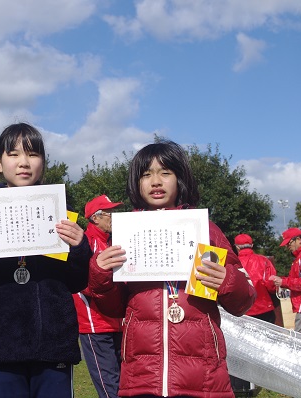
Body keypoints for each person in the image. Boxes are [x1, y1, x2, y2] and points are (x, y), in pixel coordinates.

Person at [92, 140, 255, 398]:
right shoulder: (124, 235)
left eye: (165, 172)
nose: (156, 181)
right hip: (142, 376)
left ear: (180, 178)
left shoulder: (207, 231)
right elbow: (112, 309)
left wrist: (227, 281)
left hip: (203, 376)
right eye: (146, 174)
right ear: (136, 183)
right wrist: (101, 275)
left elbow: (243, 301)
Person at [0, 122, 92, 398]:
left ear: (44, 162)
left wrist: (80, 247)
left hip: (53, 342)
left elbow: (76, 281)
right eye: (14, 154)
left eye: (33, 154)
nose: (24, 162)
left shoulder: (60, 212)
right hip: (1, 344)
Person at [73, 195, 124, 398]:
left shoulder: (115, 240)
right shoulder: (84, 243)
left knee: (125, 382)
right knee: (109, 385)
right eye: (109, 213)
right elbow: (82, 283)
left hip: (119, 324)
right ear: (95, 218)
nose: (114, 217)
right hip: (95, 325)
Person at [269, 227, 301, 337]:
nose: (288, 247)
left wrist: (283, 282)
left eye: (289, 243)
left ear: (298, 239)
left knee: (299, 342)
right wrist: (282, 280)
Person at [234, 233, 277, 323]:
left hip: (243, 311)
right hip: (265, 308)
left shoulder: (233, 264)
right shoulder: (264, 260)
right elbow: (271, 285)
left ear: (237, 247)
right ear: (252, 245)